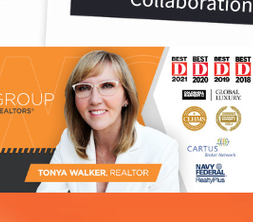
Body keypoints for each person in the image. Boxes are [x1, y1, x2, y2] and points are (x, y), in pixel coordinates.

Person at [37, 50, 180, 193]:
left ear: (126, 97)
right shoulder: (68, 141)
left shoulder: (162, 148)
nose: (95, 100)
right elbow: (43, 206)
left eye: (107, 86)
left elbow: (162, 215)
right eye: (84, 88)